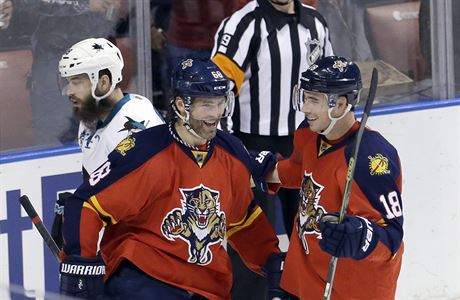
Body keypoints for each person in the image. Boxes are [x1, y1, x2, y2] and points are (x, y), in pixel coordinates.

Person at [59, 58, 285, 299]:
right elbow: (86, 205)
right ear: (181, 105)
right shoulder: (144, 150)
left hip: (206, 286)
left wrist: (273, 265)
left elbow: (243, 220)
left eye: (221, 103)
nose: (216, 113)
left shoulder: (231, 151)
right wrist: (80, 265)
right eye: (207, 105)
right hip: (144, 277)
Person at [251, 56, 404, 299]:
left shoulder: (371, 158)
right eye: (304, 97)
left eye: (314, 100)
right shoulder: (308, 132)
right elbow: (301, 171)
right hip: (305, 280)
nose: (305, 108)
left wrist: (362, 236)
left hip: (352, 290)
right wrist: (263, 171)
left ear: (341, 105)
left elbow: (392, 239)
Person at [211, 0, 333, 297]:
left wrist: (333, 139)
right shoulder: (243, 25)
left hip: (305, 144)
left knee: (311, 235)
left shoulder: (316, 23)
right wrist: (229, 151)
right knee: (248, 241)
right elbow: (216, 90)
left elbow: (330, 84)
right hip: (250, 146)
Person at [58, 37, 165, 178]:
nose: (70, 91)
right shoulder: (90, 117)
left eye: (76, 82)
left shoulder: (137, 122)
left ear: (103, 82)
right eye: (68, 82)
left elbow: (148, 190)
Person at [22, 0, 121, 146]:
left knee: (102, 132)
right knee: (55, 134)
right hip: (56, 57)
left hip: (98, 55)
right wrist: (85, 3)